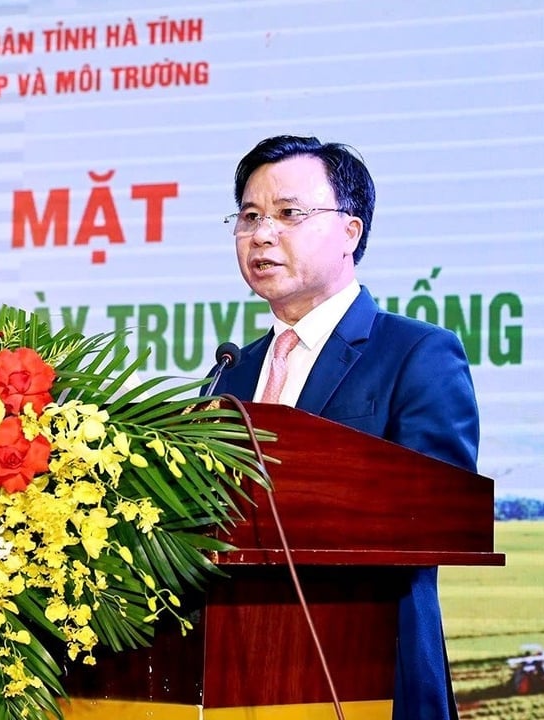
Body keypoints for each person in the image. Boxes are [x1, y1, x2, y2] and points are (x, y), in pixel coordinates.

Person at [209, 135, 480, 720]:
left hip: (368, 677)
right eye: (249, 216)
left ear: (351, 233)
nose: (261, 234)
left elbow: (437, 514)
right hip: (242, 678)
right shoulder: (232, 374)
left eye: (288, 214)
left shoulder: (416, 354)